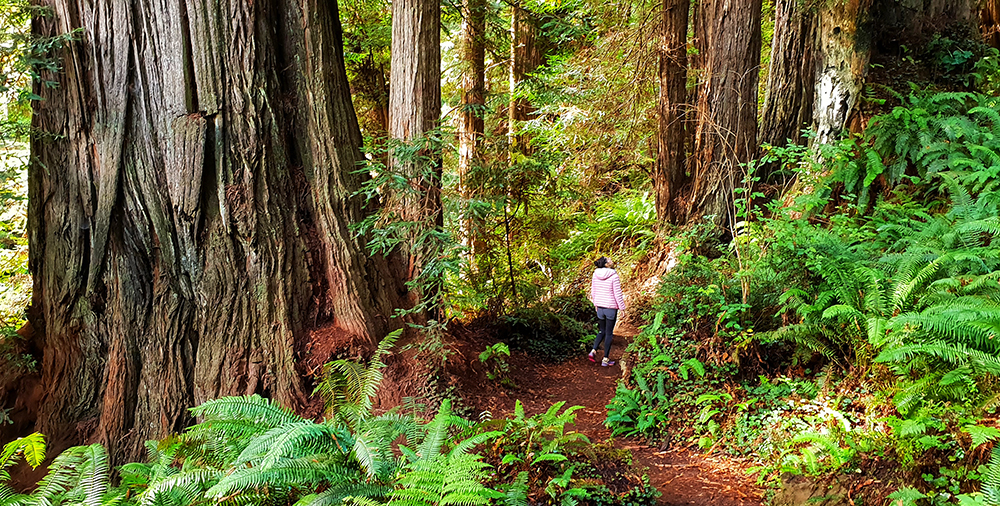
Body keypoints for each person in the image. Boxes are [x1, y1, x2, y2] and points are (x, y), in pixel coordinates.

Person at [588, 256, 626, 366]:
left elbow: (593, 291)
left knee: (602, 331)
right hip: (610, 308)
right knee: (609, 333)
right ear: (606, 264)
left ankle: (593, 350)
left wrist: (595, 304)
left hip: (600, 307)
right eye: (609, 260)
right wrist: (622, 308)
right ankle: (605, 360)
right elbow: (617, 294)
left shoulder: (595, 274)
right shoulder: (614, 276)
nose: (611, 260)